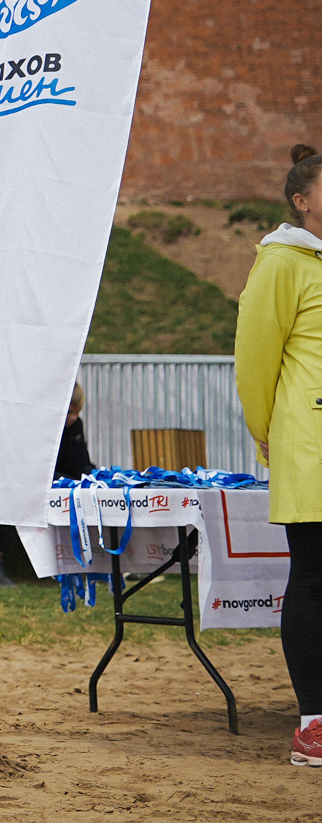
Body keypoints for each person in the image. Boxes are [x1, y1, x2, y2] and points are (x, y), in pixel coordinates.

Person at [233, 143, 322, 768]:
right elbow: (255, 356)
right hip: (311, 442)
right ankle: (313, 725)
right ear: (302, 201)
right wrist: (266, 431)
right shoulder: (282, 261)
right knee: (315, 577)